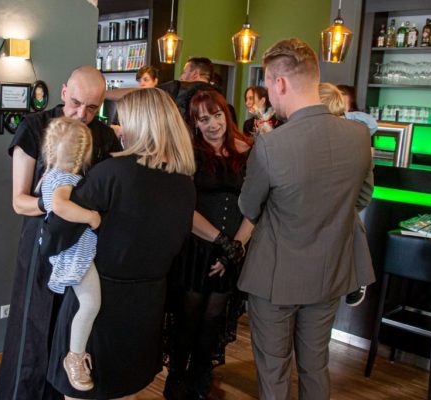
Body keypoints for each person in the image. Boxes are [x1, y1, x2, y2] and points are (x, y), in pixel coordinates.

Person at [237, 38, 374, 400]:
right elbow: (361, 198)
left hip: (276, 276)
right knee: (315, 365)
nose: (269, 94)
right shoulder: (359, 136)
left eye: (268, 84)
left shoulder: (271, 144)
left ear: (280, 83)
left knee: (274, 371)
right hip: (330, 272)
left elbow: (249, 207)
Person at [46, 88, 196, 400]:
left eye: (123, 122)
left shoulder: (111, 173)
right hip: (147, 305)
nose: (120, 130)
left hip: (97, 304)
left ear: (140, 124)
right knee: (127, 392)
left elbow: (58, 232)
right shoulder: (185, 185)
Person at [0, 66, 121, 400]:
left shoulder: (104, 137)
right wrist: (57, 204)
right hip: (41, 248)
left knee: (70, 334)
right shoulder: (34, 127)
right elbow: (19, 202)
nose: (82, 115)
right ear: (64, 92)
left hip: (83, 252)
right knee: (32, 338)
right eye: (76, 103)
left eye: (92, 108)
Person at [164, 90, 253, 400]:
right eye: (204, 119)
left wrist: (235, 248)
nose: (213, 125)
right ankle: (177, 378)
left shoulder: (248, 150)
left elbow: (255, 205)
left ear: (226, 114)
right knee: (188, 318)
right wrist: (222, 241)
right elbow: (183, 208)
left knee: (214, 319)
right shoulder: (189, 153)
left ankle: (201, 378)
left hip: (232, 251)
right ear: (195, 123)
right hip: (196, 249)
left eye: (217, 116)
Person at [38, 117, 102, 392]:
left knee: (83, 304)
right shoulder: (66, 178)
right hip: (76, 254)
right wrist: (91, 217)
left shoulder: (50, 175)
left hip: (70, 251)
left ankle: (75, 353)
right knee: (90, 304)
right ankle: (75, 357)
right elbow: (61, 206)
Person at [318, 82, 377, 308]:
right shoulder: (360, 139)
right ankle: (356, 270)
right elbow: (364, 195)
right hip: (339, 233)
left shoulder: (300, 138)